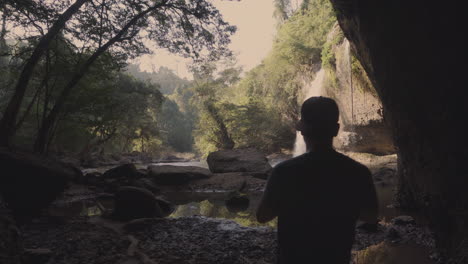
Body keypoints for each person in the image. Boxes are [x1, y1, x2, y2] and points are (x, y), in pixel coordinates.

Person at [256, 96, 378, 264]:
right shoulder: (359, 172)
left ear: (302, 129)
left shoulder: (283, 172)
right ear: (336, 130)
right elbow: (371, 217)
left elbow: (263, 216)